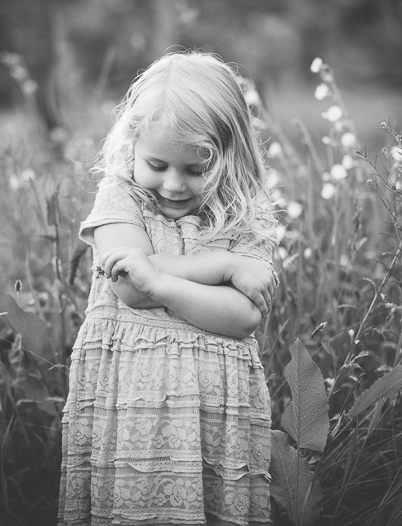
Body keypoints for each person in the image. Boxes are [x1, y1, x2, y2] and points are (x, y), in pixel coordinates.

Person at [58, 51, 278, 525]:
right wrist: (222, 266)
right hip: (129, 409)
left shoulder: (242, 212)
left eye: (197, 170)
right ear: (132, 145)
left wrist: (162, 278)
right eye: (157, 164)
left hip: (214, 418)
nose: (174, 185)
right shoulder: (120, 195)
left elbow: (243, 317)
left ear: (230, 158)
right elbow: (131, 286)